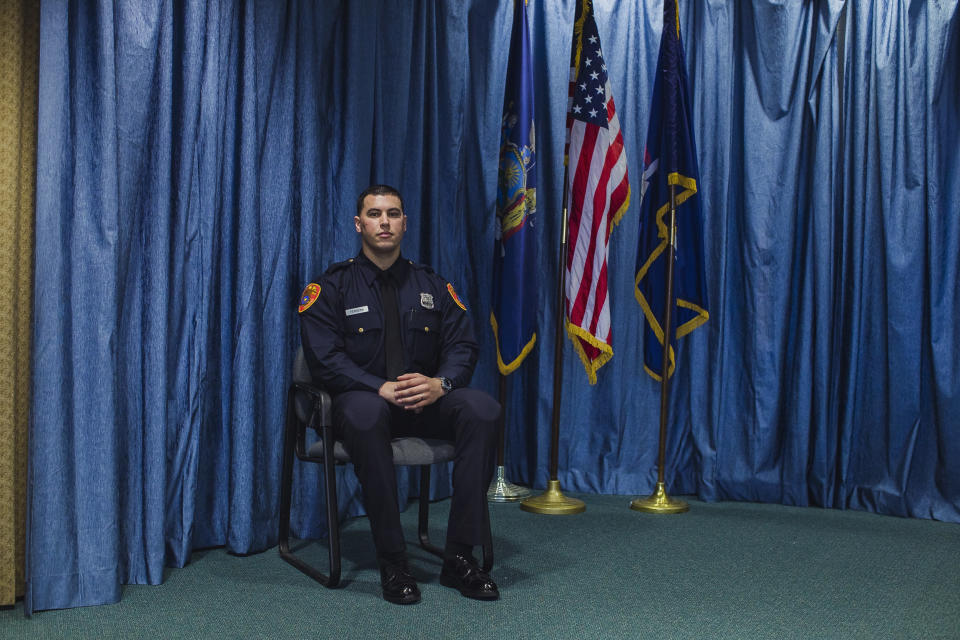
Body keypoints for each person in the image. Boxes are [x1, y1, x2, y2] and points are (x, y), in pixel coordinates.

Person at [298, 184, 500, 604]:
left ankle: (460, 557)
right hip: (361, 401)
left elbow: (464, 346)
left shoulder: (432, 284)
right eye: (374, 214)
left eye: (393, 214)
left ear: (405, 223)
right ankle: (393, 561)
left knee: (482, 409)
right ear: (359, 224)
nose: (384, 222)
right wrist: (378, 386)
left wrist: (439, 384)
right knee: (367, 414)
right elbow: (323, 358)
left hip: (423, 401)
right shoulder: (331, 287)